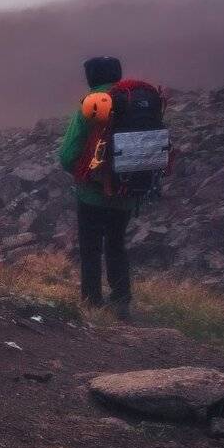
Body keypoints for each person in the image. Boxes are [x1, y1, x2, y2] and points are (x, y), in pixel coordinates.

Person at [56, 55, 138, 319]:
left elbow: (67, 154)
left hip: (91, 194)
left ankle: (92, 302)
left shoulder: (91, 104)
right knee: (117, 244)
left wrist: (84, 174)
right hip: (127, 191)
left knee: (91, 246)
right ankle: (122, 301)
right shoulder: (136, 102)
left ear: (91, 77)